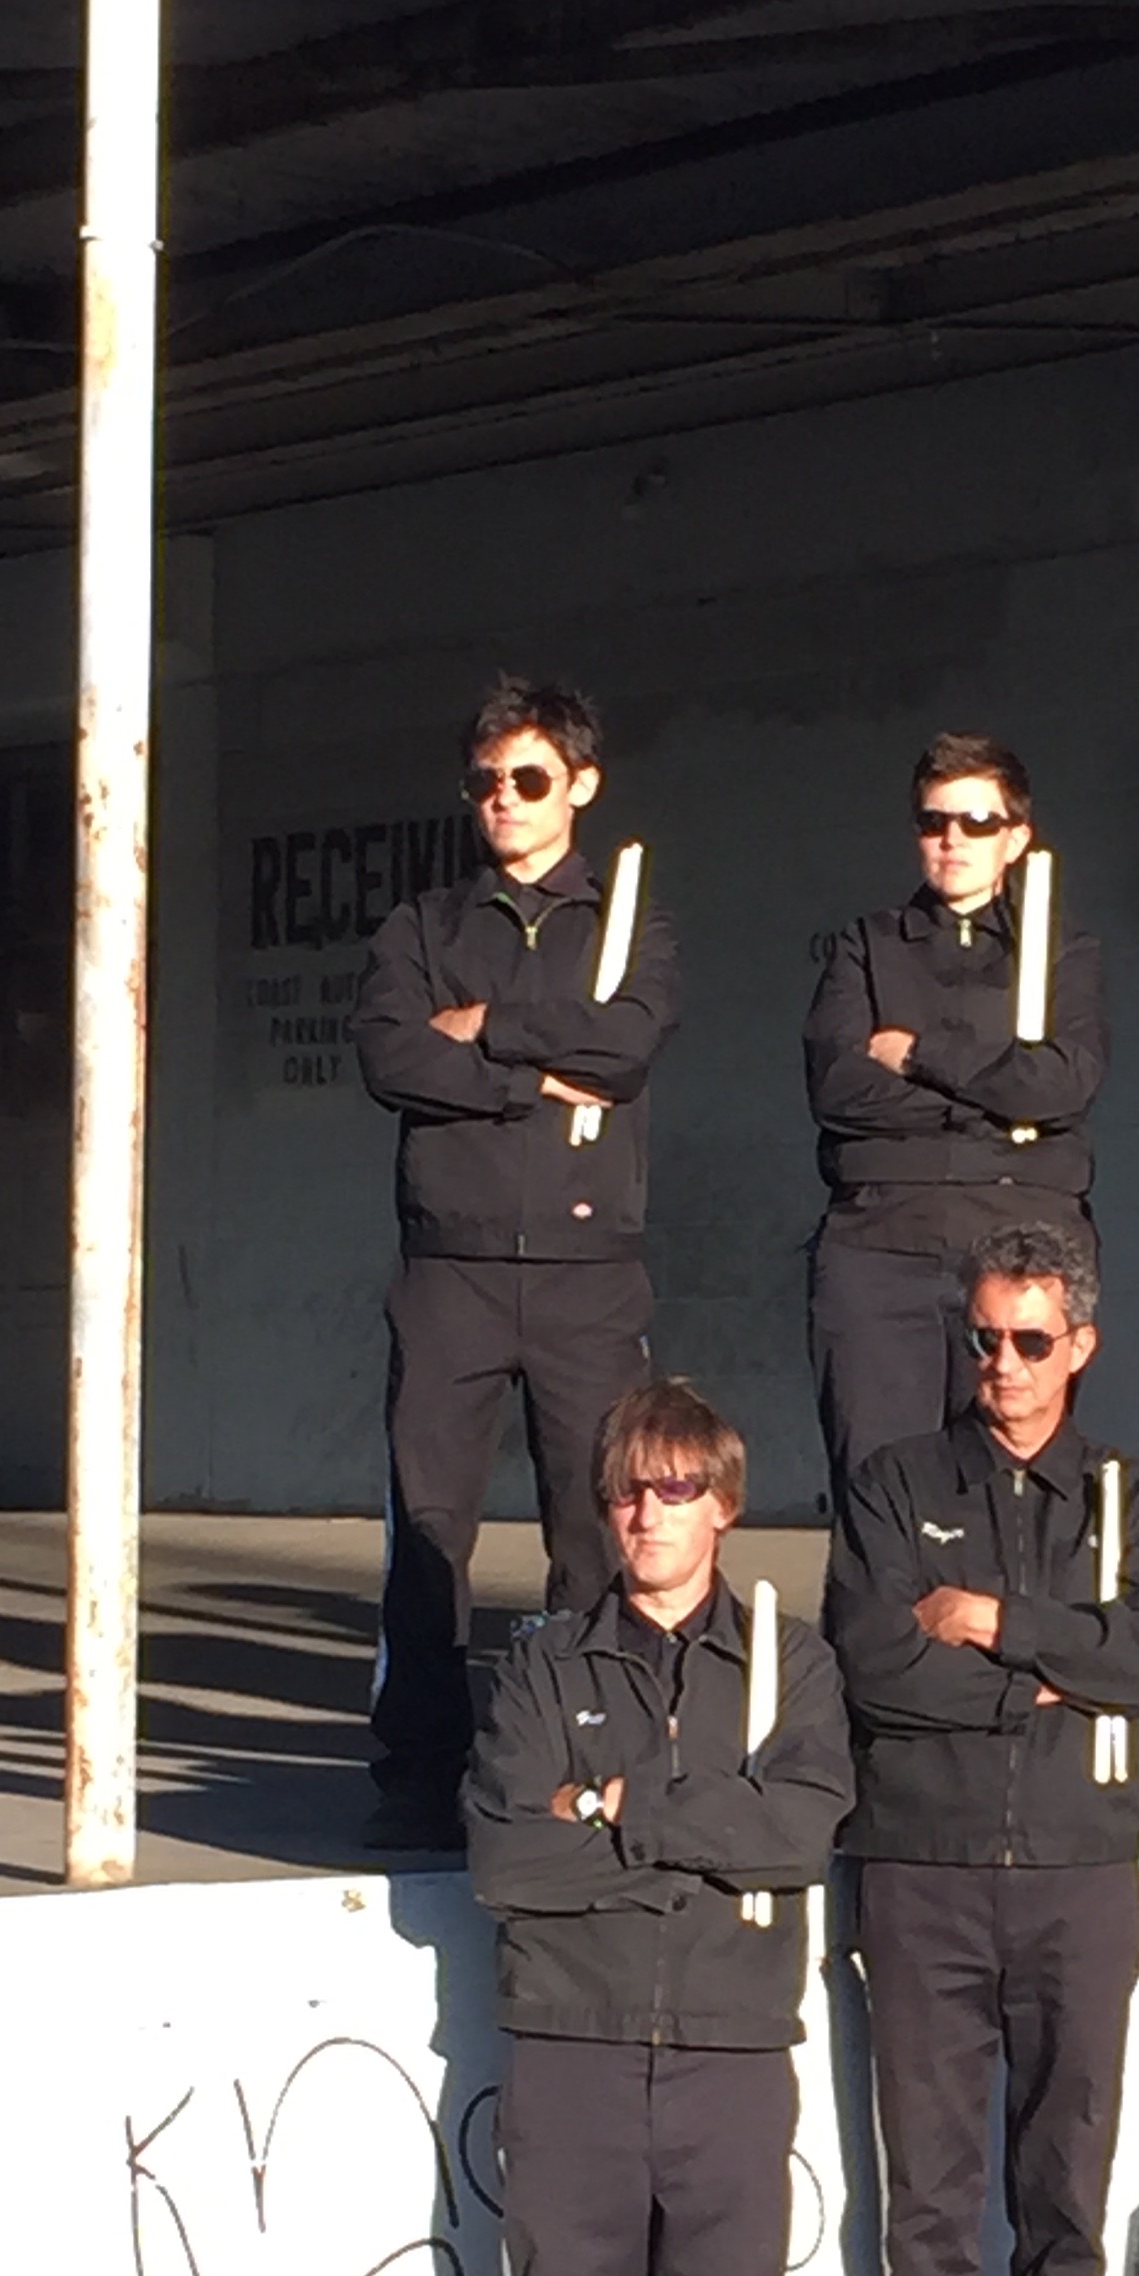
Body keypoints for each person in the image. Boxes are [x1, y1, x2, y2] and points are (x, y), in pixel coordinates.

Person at [462, 1379, 853, 2276]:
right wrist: (692, 1835)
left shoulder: (790, 1666)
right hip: (569, 2056)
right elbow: (509, 1861)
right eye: (629, 1488)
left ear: (724, 1505)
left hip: (730, 2064)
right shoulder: (540, 1666)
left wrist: (621, 1806)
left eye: (677, 1488)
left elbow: (798, 1834)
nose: (649, 1513)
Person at [819, 1222, 1139, 2276]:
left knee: (1062, 2201)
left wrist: (997, 1622)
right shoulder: (896, 1483)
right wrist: (1041, 1685)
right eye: (984, 1339)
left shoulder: (1129, 1495)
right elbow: (872, 1662)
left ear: (1079, 1346)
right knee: (929, 2198)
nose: (1004, 1365)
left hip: (1080, 1881)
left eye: (1031, 1340)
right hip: (923, 1873)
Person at [351, 678, 676, 1854]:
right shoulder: (422, 926)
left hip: (590, 1273)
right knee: (430, 1527)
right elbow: (389, 1056)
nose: (504, 798)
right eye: (485, 780)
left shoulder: (628, 924)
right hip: (451, 1271)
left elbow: (624, 1050)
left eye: (529, 778)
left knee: (593, 1526)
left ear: (580, 785)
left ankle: (580, 1759)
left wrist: (484, 1026)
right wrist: (535, 1075)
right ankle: (418, 1771)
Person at [804, 734, 1106, 1501]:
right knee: (879, 1489)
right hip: (881, 1243)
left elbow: (1064, 1085)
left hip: (1023, 1239)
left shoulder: (1062, 952)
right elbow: (839, 1090)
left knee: (1012, 1489)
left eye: (978, 822)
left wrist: (917, 1054)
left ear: (1016, 836)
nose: (953, 839)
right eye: (935, 821)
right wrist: (999, 1101)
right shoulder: (866, 946)